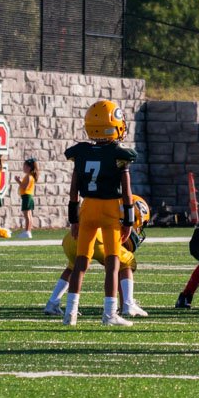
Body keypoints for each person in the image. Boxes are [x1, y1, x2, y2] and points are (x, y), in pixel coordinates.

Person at [61, 100, 138, 327]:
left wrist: (74, 219)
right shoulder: (119, 154)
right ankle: (109, 314)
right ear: (114, 124)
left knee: (80, 263)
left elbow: (74, 189)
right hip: (109, 209)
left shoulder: (81, 152)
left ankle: (70, 313)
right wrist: (129, 221)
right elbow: (127, 191)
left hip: (87, 208)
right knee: (113, 263)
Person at [48, 196, 150, 320]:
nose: (139, 229)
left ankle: (53, 303)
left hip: (71, 238)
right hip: (98, 237)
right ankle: (127, 304)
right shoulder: (118, 206)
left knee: (74, 267)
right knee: (127, 262)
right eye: (141, 224)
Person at [18, 158, 39, 238]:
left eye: (25, 166)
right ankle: (28, 231)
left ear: (29, 168)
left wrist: (18, 181)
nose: (23, 168)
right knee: (29, 215)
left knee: (27, 216)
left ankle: (27, 231)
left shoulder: (29, 176)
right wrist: (21, 180)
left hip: (27, 197)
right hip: (28, 197)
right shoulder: (30, 176)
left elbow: (24, 187)